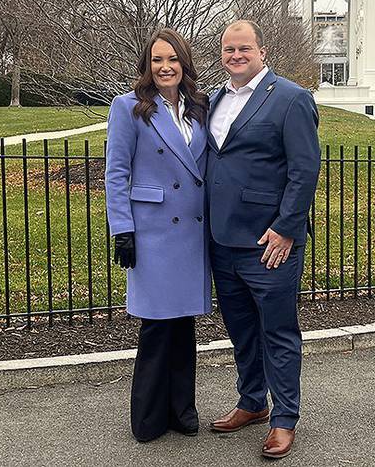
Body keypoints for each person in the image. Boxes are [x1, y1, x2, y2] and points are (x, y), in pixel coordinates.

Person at [206, 20, 320, 460]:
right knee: (241, 330)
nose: (236, 55)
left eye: (244, 48)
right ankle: (252, 402)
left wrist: (288, 227)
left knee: (277, 331)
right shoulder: (216, 98)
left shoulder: (290, 98)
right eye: (229, 49)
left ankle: (284, 419)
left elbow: (304, 169)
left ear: (262, 51)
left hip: (269, 241)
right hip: (222, 239)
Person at [105, 28, 211, 443]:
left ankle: (182, 410)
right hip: (151, 232)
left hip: (191, 231)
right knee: (156, 327)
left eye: (172, 59)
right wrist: (122, 230)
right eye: (156, 60)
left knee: (183, 326)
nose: (165, 67)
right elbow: (116, 172)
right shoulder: (128, 107)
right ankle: (148, 417)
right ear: (147, 66)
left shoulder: (199, 106)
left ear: (184, 63)